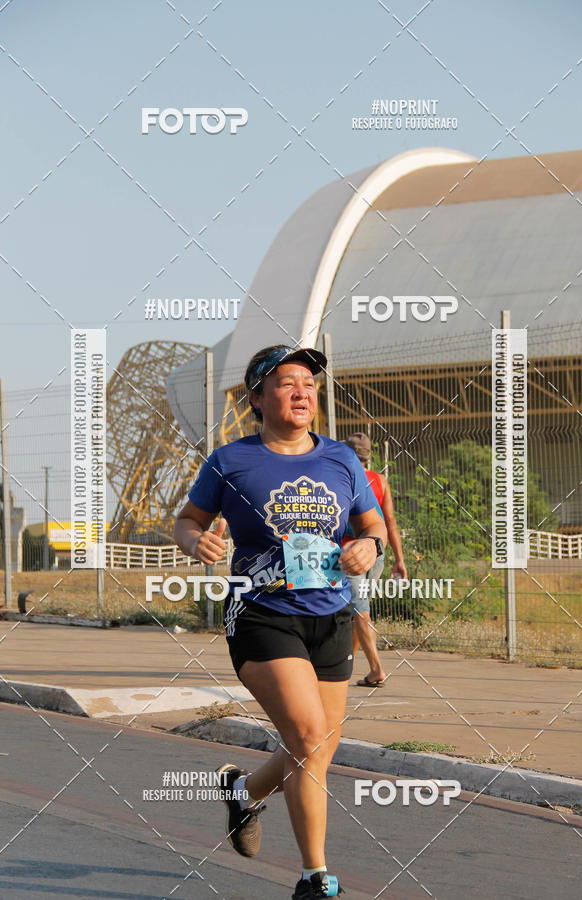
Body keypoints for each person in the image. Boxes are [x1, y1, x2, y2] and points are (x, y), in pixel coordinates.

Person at [174, 344, 387, 900]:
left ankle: (242, 791)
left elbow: (372, 526)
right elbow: (187, 519)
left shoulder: (341, 459)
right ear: (257, 398)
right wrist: (198, 540)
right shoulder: (231, 460)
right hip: (261, 616)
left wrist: (368, 546)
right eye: (287, 382)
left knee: (315, 748)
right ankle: (315, 878)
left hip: (330, 615)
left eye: (310, 384)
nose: (302, 392)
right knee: (309, 736)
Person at [343, 432, 407, 688]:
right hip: (377, 553)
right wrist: (399, 559)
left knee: (359, 610)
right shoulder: (380, 480)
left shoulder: (343, 477)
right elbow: (389, 522)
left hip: (351, 553)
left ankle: (376, 668)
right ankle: (347, 663)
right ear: (368, 455)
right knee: (358, 610)